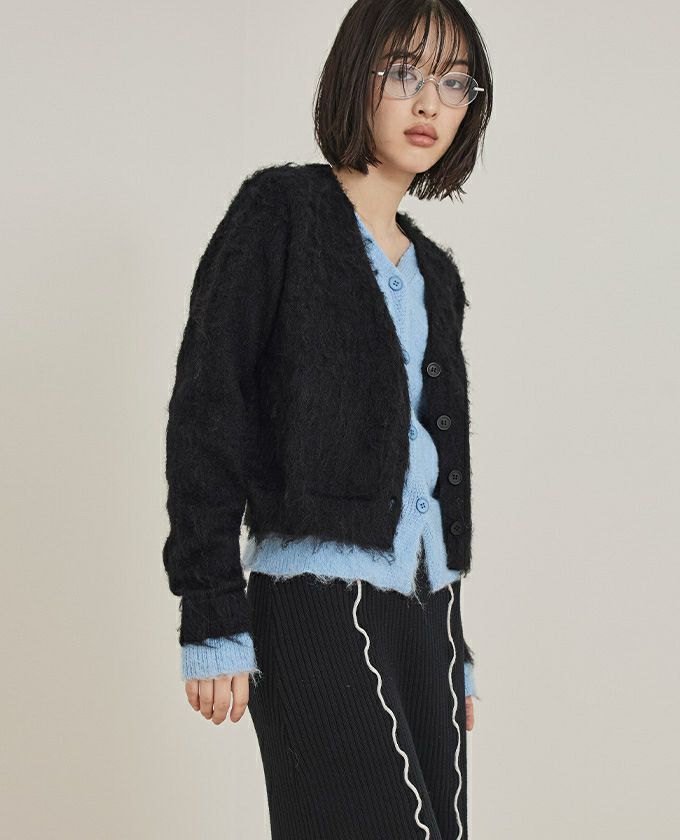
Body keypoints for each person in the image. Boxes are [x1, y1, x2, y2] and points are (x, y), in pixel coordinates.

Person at [162, 1, 493, 837]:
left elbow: (427, 466)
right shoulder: (281, 214)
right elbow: (208, 406)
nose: (429, 103)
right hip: (314, 603)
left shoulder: (436, 275)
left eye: (455, 82)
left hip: (429, 613)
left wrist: (456, 644)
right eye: (405, 72)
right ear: (356, 75)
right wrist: (211, 610)